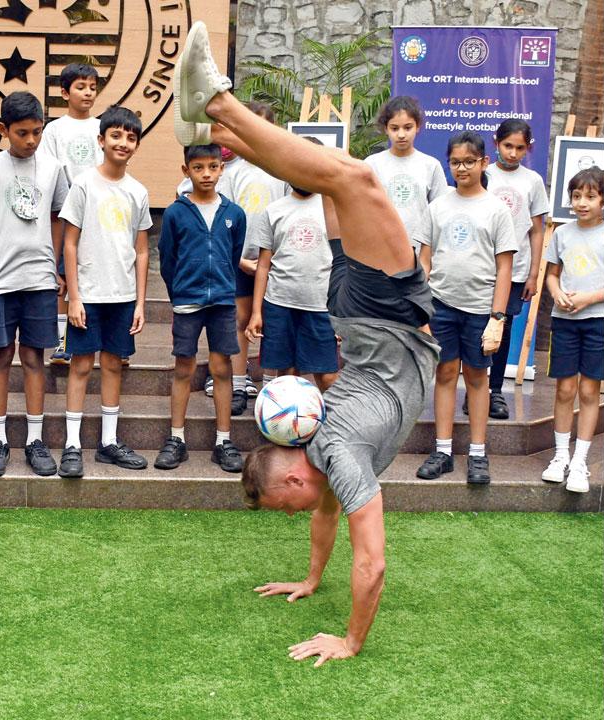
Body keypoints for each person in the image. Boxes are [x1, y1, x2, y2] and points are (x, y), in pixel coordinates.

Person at [174, 20, 438, 667]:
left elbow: (370, 560)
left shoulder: (333, 459)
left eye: (281, 505)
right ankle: (212, 127)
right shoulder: (328, 465)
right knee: (346, 177)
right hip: (368, 322)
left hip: (381, 323)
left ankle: (216, 110)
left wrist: (350, 641)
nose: (293, 515)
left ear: (294, 474)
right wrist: (314, 580)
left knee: (356, 181)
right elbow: (337, 530)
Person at [0, 91, 69, 477]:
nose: (31, 140)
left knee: (33, 358)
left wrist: (55, 265)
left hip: (39, 280)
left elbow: (59, 216)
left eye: (37, 132)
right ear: (3, 129)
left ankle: (35, 440)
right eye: (22, 133)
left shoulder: (54, 168)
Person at [412, 130, 517, 485]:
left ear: (484, 162)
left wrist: (497, 319)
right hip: (442, 305)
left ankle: (477, 453)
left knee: (476, 377)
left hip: (479, 310)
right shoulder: (437, 206)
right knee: (443, 374)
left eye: (469, 162)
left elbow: (505, 267)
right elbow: (424, 259)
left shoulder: (497, 210)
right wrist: (421, 306)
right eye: (455, 162)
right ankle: (442, 450)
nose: (462, 168)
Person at [57, 106, 152, 478]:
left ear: (136, 145)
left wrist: (141, 303)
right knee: (80, 365)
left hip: (123, 297)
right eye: (116, 135)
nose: (123, 143)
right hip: (88, 296)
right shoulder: (83, 184)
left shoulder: (138, 191)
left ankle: (109, 443)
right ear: (101, 140)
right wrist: (74, 296)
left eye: (130, 138)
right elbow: (69, 244)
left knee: (114, 365)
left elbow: (142, 250)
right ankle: (71, 445)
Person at [155, 143, 246, 473]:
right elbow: (167, 259)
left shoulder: (234, 214)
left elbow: (233, 257)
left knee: (223, 369)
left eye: (212, 167)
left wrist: (221, 282)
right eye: (198, 168)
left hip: (222, 301)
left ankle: (223, 440)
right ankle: (176, 438)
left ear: (222, 169)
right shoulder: (176, 213)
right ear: (186, 171)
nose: (206, 174)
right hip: (187, 301)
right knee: (184, 368)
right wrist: (179, 291)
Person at [197, 101, 290, 413]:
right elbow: (223, 222)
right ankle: (237, 383)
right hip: (238, 260)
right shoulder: (232, 172)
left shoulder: (284, 168)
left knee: (272, 322)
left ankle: (271, 388)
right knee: (240, 319)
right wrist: (240, 259)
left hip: (276, 262)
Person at [471, 118, 550, 420]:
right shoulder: (483, 174)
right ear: (496, 143)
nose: (513, 153)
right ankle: (474, 389)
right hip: (481, 268)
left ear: (528, 148)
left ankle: (495, 392)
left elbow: (537, 231)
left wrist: (533, 273)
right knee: (476, 328)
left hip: (515, 272)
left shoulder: (532, 181)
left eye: (519, 148)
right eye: (508, 146)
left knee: (500, 330)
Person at [245, 139, 339, 393]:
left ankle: (334, 431)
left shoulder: (333, 208)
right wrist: (256, 312)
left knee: (328, 376)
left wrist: (342, 314)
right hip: (280, 304)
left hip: (320, 306)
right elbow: (263, 265)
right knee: (287, 376)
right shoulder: (274, 210)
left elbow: (343, 263)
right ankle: (289, 431)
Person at [540, 167, 604, 494]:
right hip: (564, 322)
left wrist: (591, 298)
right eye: (577, 196)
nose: (582, 203)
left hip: (597, 322)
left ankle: (580, 461)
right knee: (565, 390)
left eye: (590, 197)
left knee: (590, 392)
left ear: (603, 199)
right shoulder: (562, 234)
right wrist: (556, 292)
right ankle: (560, 456)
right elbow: (552, 274)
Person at [38, 63, 102, 366]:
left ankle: (111, 343)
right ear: (65, 92)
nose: (87, 93)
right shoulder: (54, 130)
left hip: (98, 214)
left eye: (92, 87)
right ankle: (63, 342)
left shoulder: (101, 126)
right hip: (66, 216)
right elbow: (49, 172)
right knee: (64, 279)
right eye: (80, 87)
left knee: (98, 275)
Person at [363, 95, 447, 251]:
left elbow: (439, 214)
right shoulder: (371, 165)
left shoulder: (431, 165)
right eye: (395, 128)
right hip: (380, 252)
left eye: (408, 127)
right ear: (385, 128)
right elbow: (363, 211)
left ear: (418, 126)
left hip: (420, 253)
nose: (401, 134)